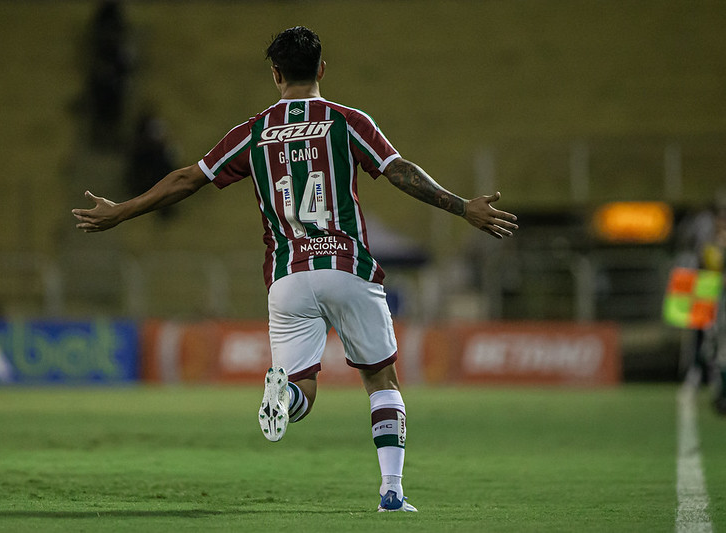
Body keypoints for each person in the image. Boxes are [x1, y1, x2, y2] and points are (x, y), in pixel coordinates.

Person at [72, 26, 518, 512]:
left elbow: (186, 179)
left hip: (287, 277)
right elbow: (397, 170)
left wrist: (122, 211)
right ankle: (392, 492)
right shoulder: (346, 121)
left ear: (275, 73)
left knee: (302, 385)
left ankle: (282, 401)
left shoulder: (254, 131)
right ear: (322, 69)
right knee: (381, 379)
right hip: (346, 268)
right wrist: (462, 208)